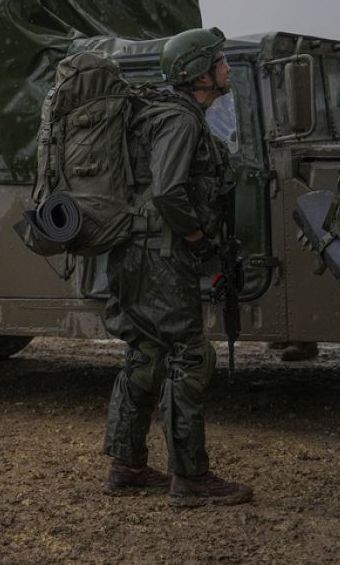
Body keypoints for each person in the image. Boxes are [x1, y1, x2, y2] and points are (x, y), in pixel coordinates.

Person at [101, 28, 254, 507]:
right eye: (221, 60)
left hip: (138, 252)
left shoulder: (164, 115)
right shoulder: (181, 122)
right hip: (161, 256)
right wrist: (198, 238)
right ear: (199, 73)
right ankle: (190, 478)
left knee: (147, 351)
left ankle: (125, 464)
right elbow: (168, 191)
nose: (227, 67)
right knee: (190, 356)